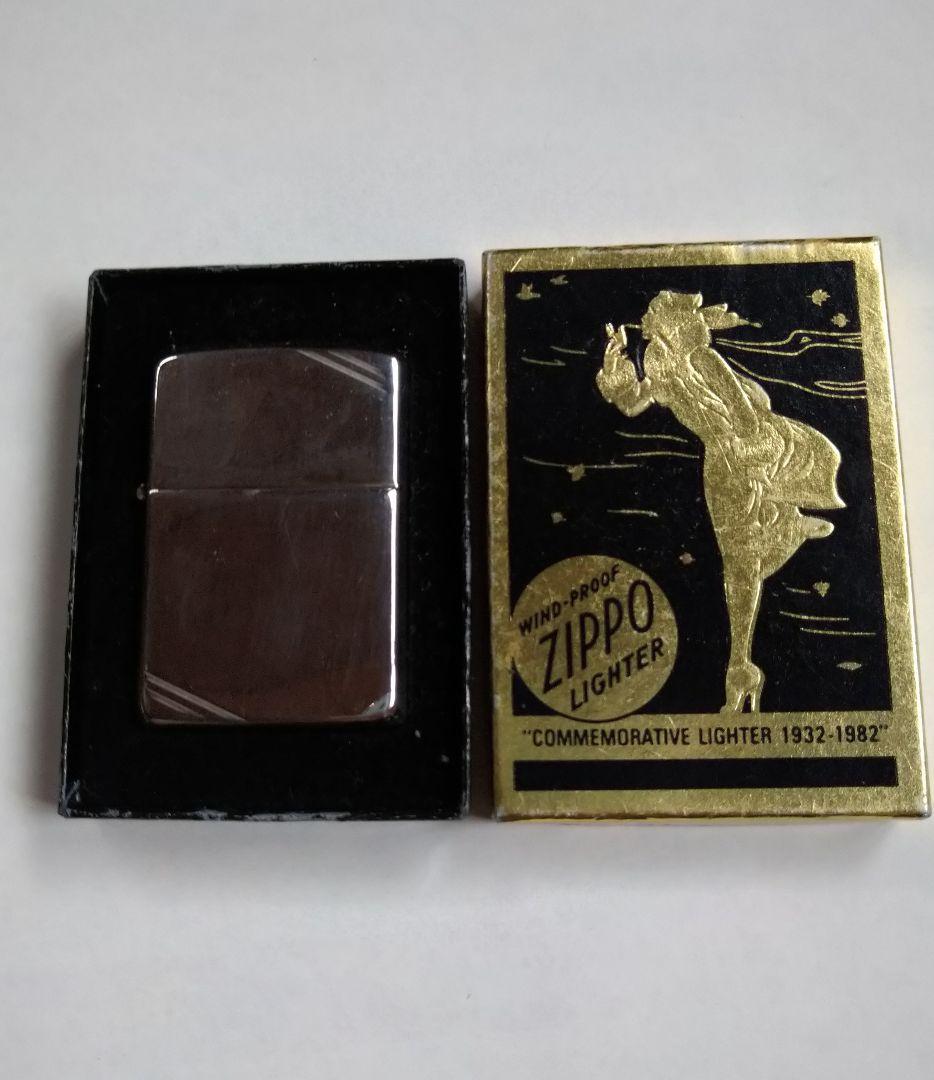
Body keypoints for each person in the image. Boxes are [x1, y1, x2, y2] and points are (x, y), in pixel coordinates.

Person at [597, 290, 843, 713]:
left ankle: (786, 527)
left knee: (743, 559)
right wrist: (614, 370)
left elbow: (745, 418)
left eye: (655, 312)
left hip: (750, 452)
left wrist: (756, 471)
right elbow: (634, 403)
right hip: (720, 461)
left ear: (673, 323)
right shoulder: (656, 359)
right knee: (737, 562)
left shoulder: (704, 360)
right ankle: (743, 662)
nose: (647, 318)